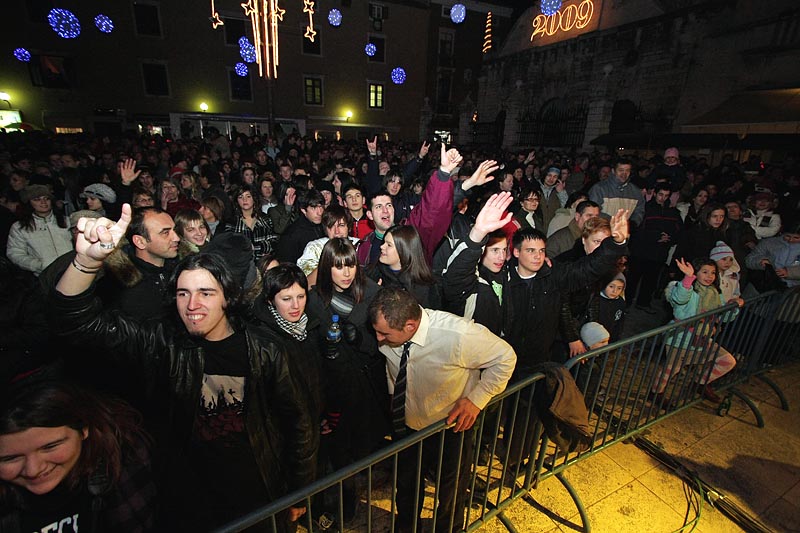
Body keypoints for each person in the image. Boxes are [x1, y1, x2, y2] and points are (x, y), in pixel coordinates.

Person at [49, 207, 316, 531]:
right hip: (188, 500)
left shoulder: (266, 350)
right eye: (183, 293)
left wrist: (299, 492)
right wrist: (87, 262)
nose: (192, 305)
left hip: (257, 492)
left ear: (228, 297)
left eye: (206, 293)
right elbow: (77, 324)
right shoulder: (162, 343)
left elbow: (299, 424)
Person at [368, 287, 515, 533]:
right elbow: (393, 366)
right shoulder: (392, 333)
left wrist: (476, 399)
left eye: (384, 333)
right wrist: (395, 397)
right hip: (407, 426)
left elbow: (506, 357)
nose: (378, 339)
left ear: (410, 326)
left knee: (451, 491)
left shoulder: (457, 334)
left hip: (450, 428)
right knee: (406, 486)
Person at [0, 375, 156, 532]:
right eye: (10, 458)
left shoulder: (122, 466)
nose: (33, 470)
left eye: (50, 447)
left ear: (84, 429)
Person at [304, 238, 387, 525]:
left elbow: (383, 342)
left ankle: (352, 500)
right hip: (332, 389)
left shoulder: (372, 292)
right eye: (338, 266)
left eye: (350, 265)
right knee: (337, 454)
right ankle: (343, 505)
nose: (346, 272)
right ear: (327, 268)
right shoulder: (315, 300)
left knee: (360, 448)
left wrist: (360, 339)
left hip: (366, 386)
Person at [652, 257, 742, 404]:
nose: (709, 276)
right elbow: (680, 299)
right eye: (705, 272)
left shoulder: (715, 293)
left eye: (713, 272)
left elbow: (724, 316)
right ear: (696, 272)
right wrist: (688, 277)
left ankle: (700, 383)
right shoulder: (686, 289)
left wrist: (733, 306)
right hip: (681, 338)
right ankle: (656, 393)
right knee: (672, 368)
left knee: (727, 361)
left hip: (703, 337)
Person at [626, 183, 683, 311]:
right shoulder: (645, 209)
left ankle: (643, 303)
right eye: (661, 194)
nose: (663, 198)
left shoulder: (673, 212)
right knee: (633, 279)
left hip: (659, 253)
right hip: (641, 251)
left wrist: (669, 238)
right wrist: (655, 236)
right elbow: (636, 229)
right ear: (655, 194)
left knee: (651, 280)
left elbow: (679, 231)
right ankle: (626, 302)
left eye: (666, 195)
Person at [369, 225, 441, 309]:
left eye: (389, 245)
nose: (382, 246)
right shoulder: (373, 274)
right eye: (384, 242)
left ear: (403, 250)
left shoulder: (423, 288)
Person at [6, 185, 73, 276]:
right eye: (37, 199)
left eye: (46, 198)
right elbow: (15, 253)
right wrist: (39, 265)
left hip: (73, 271)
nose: (43, 202)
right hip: (44, 275)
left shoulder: (67, 221)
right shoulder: (19, 227)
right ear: (29, 203)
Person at [296, 205, 360, 285]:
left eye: (341, 225)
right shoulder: (315, 248)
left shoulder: (359, 245)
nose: (337, 231)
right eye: (331, 226)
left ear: (349, 227)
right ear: (325, 229)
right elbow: (305, 284)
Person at [228, 183, 278, 262]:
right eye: (240, 197)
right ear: (237, 201)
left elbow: (273, 243)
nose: (244, 200)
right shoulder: (231, 223)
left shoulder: (265, 219)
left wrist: (253, 247)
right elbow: (231, 247)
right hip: (241, 263)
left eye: (248, 196)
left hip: (264, 262)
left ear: (254, 199)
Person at [588, 158, 645, 227]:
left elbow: (639, 210)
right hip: (602, 230)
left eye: (627, 170)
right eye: (621, 170)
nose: (624, 174)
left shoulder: (635, 191)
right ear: (613, 171)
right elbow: (593, 211)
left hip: (624, 231)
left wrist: (633, 223)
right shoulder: (599, 188)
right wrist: (614, 222)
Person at [276, 189, 326, 264]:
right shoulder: (292, 234)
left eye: (321, 207)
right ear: (303, 210)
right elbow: (287, 264)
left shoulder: (326, 226)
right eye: (313, 208)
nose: (320, 212)